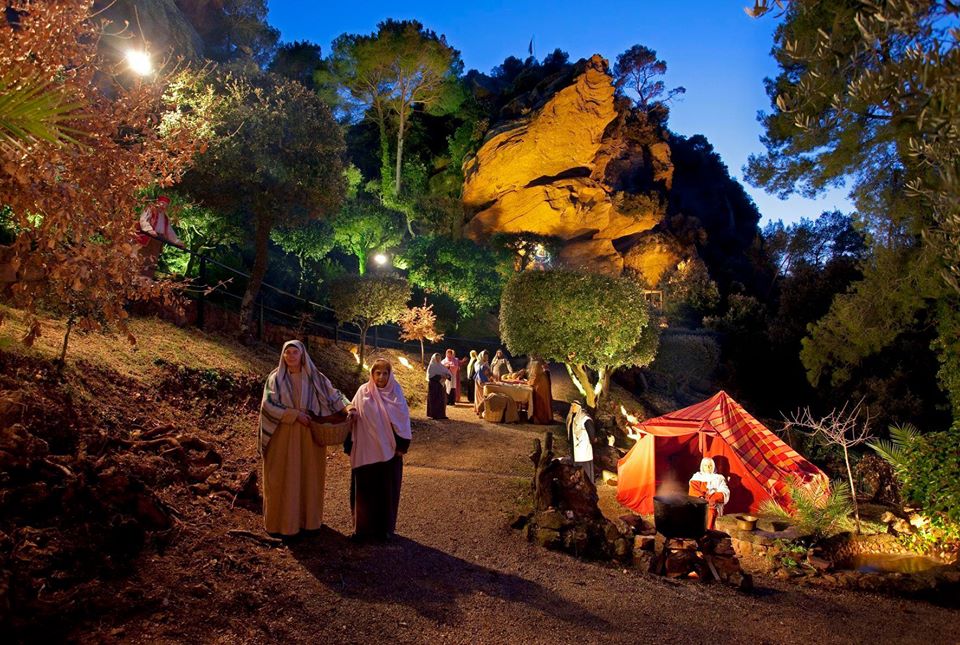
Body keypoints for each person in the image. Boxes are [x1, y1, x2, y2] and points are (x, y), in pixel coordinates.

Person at [258, 340, 349, 537]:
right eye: (287, 352)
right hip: (282, 435)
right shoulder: (275, 378)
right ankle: (280, 524)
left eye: (294, 352)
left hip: (309, 434)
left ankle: (308, 523)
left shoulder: (315, 376)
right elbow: (268, 404)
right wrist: (294, 415)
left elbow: (333, 395)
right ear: (283, 356)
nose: (291, 356)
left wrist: (349, 408)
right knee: (282, 477)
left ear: (302, 355)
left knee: (308, 476)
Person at [347, 358, 412, 542]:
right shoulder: (362, 392)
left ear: (390, 375)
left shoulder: (396, 394)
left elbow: (402, 422)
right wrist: (348, 444)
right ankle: (362, 531)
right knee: (364, 492)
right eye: (378, 373)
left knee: (385, 492)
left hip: (389, 453)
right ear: (372, 374)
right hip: (365, 451)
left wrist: (401, 446)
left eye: (385, 373)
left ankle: (384, 531)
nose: (381, 377)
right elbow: (352, 418)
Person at [136, 195, 185, 277]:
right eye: (162, 203)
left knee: (153, 260)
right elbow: (143, 219)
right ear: (157, 203)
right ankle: (136, 277)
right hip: (148, 237)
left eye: (165, 205)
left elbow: (169, 231)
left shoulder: (165, 217)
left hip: (158, 239)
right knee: (142, 256)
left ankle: (147, 279)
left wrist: (176, 241)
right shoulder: (150, 209)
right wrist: (149, 230)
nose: (163, 206)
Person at [688, 457, 730, 531]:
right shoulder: (697, 477)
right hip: (699, 503)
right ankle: (697, 532)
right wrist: (701, 499)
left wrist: (713, 499)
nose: (708, 467)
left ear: (713, 466)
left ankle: (709, 533)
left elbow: (724, 490)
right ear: (702, 466)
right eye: (705, 465)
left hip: (713, 503)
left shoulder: (719, 478)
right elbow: (693, 490)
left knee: (710, 512)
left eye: (710, 465)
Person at [571, 406, 595, 482]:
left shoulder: (585, 419)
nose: (572, 407)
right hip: (577, 453)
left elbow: (592, 435)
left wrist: (594, 441)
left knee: (586, 475)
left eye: (574, 406)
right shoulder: (575, 418)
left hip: (584, 452)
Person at [426, 353, 452, 419]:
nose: (438, 359)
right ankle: (434, 415)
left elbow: (448, 373)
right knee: (434, 400)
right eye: (436, 358)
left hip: (441, 385)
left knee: (442, 400)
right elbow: (430, 376)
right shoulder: (431, 366)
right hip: (434, 386)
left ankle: (441, 415)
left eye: (439, 358)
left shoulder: (441, 366)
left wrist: (447, 376)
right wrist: (440, 376)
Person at [528, 359, 554, 424]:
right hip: (543, 384)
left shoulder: (537, 364)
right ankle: (546, 418)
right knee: (544, 401)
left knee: (540, 402)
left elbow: (536, 376)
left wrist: (530, 383)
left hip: (540, 386)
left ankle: (541, 419)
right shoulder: (538, 364)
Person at [473, 350, 493, 416]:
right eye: (485, 356)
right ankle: (478, 409)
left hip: (486, 380)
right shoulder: (478, 363)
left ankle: (483, 409)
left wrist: (490, 377)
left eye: (487, 356)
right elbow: (479, 372)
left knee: (484, 394)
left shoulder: (487, 363)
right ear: (482, 356)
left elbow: (489, 372)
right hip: (479, 380)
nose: (486, 358)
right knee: (479, 395)